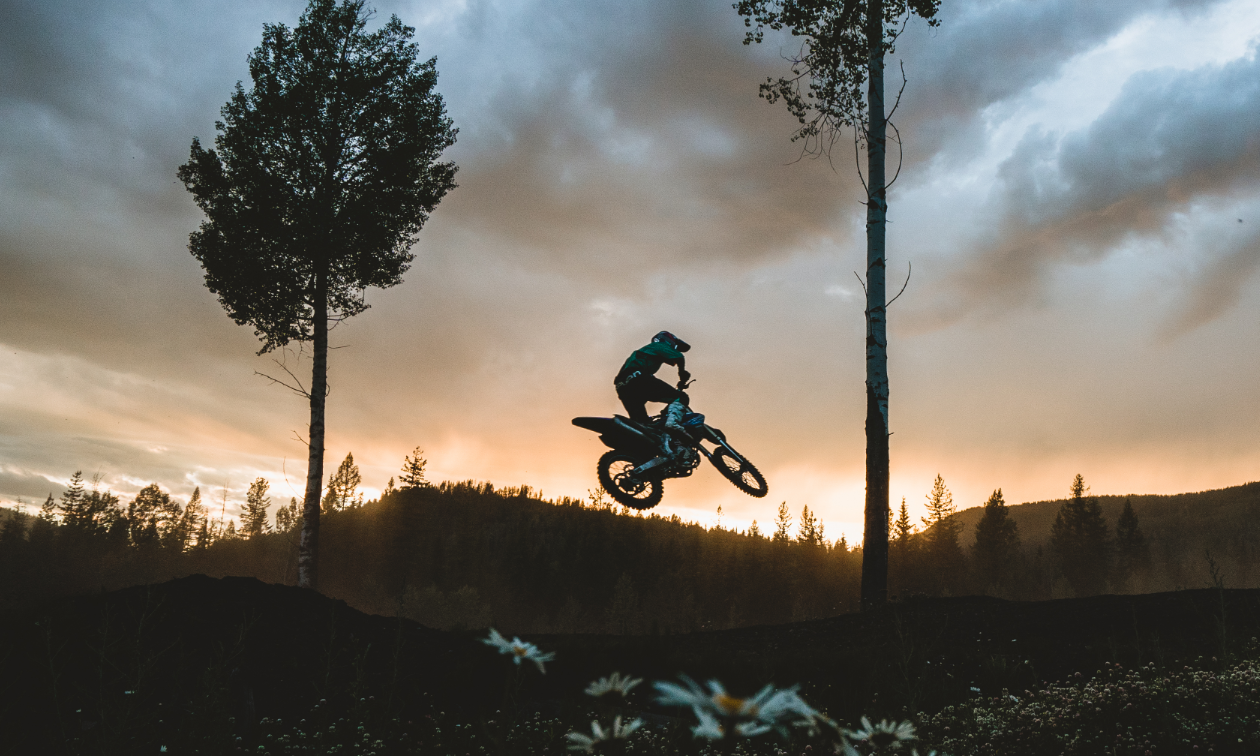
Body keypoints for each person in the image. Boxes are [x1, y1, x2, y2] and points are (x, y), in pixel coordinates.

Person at [614, 331, 691, 425]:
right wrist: (682, 373)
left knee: (641, 423)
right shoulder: (659, 345)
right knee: (681, 397)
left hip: (622, 386)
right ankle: (672, 421)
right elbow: (679, 356)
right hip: (638, 378)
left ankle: (644, 433)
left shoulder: (642, 353)